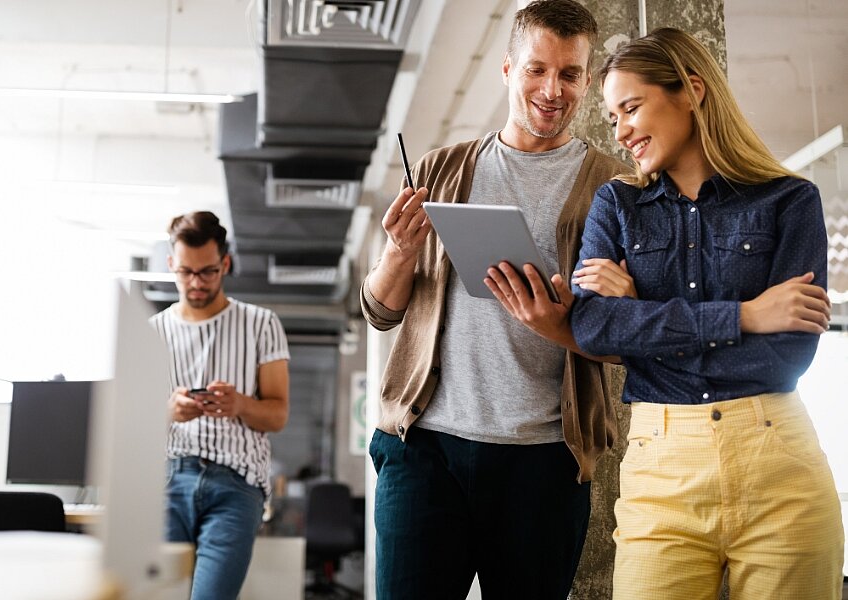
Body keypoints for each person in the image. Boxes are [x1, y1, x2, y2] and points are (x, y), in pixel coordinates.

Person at [360, 1, 629, 597]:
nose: (551, 89)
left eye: (569, 74)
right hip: (425, 448)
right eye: (537, 69)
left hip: (544, 460)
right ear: (507, 70)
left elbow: (631, 339)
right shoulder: (444, 169)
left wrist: (563, 322)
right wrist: (399, 252)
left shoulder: (615, 188)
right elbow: (379, 313)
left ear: (588, 80)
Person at [569, 28, 844, 600]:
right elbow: (593, 325)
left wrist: (641, 318)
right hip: (660, 474)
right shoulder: (616, 205)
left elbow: (788, 355)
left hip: (781, 473)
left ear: (691, 90)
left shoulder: (790, 200)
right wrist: (744, 315)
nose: (620, 132)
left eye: (631, 108)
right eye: (613, 115)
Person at [149, 211, 290, 600]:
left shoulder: (262, 324)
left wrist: (240, 404)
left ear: (224, 264)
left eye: (207, 272)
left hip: (236, 483)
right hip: (168, 480)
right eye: (185, 272)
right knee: (156, 594)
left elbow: (277, 415)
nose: (195, 283)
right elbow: (137, 425)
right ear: (171, 265)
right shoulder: (153, 332)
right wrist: (169, 411)